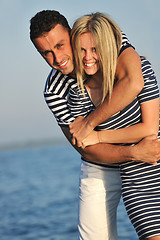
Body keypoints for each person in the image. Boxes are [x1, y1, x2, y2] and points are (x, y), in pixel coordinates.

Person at [29, 10, 160, 240]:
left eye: (60, 45)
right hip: (101, 163)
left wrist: (90, 123)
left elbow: (134, 80)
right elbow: (85, 147)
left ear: (72, 35)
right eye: (46, 53)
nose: (57, 58)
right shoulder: (54, 92)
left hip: (145, 153)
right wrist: (132, 152)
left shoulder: (107, 39)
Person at [68, 12, 160, 240]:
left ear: (108, 48)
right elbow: (82, 143)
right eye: (82, 50)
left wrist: (98, 135)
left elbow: (150, 129)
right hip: (138, 183)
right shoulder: (78, 97)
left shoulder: (142, 69)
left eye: (95, 49)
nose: (88, 57)